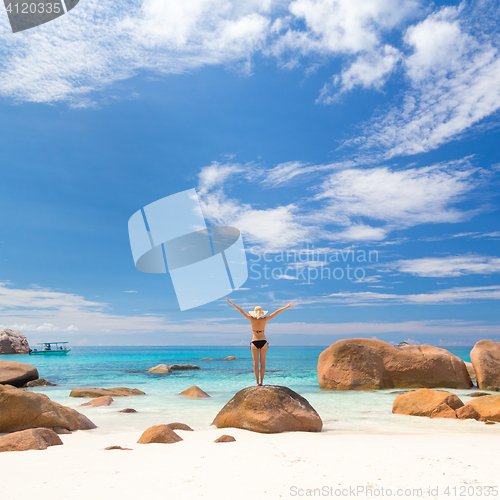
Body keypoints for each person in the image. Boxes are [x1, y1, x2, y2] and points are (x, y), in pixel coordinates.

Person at [226, 299, 293, 386]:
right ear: (261, 313)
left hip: (254, 342)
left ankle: (257, 382)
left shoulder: (251, 318)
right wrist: (286, 307)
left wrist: (232, 303)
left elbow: (241, 311)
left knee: (255, 363)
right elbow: (276, 312)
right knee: (262, 363)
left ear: (254, 312)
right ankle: (261, 382)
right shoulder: (265, 319)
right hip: (263, 342)